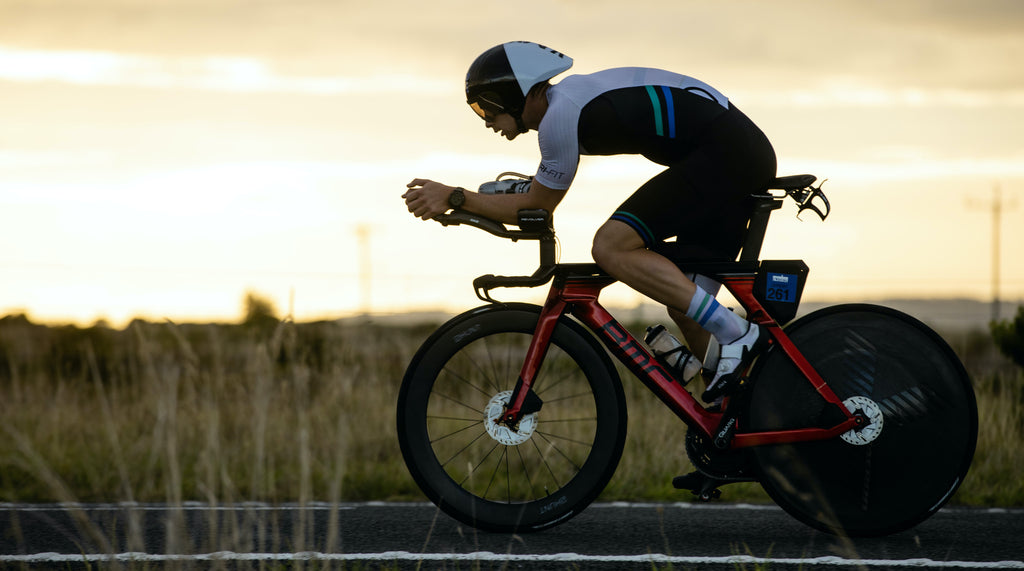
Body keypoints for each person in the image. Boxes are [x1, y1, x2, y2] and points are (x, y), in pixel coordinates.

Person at [403, 41, 776, 403]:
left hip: (729, 155)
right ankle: (741, 434)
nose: (486, 122)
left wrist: (457, 196)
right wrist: (490, 198)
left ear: (515, 95)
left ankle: (738, 333)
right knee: (687, 306)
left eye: (486, 109)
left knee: (610, 246)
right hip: (730, 153)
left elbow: (537, 205)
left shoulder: (560, 114)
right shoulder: (569, 104)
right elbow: (536, 193)